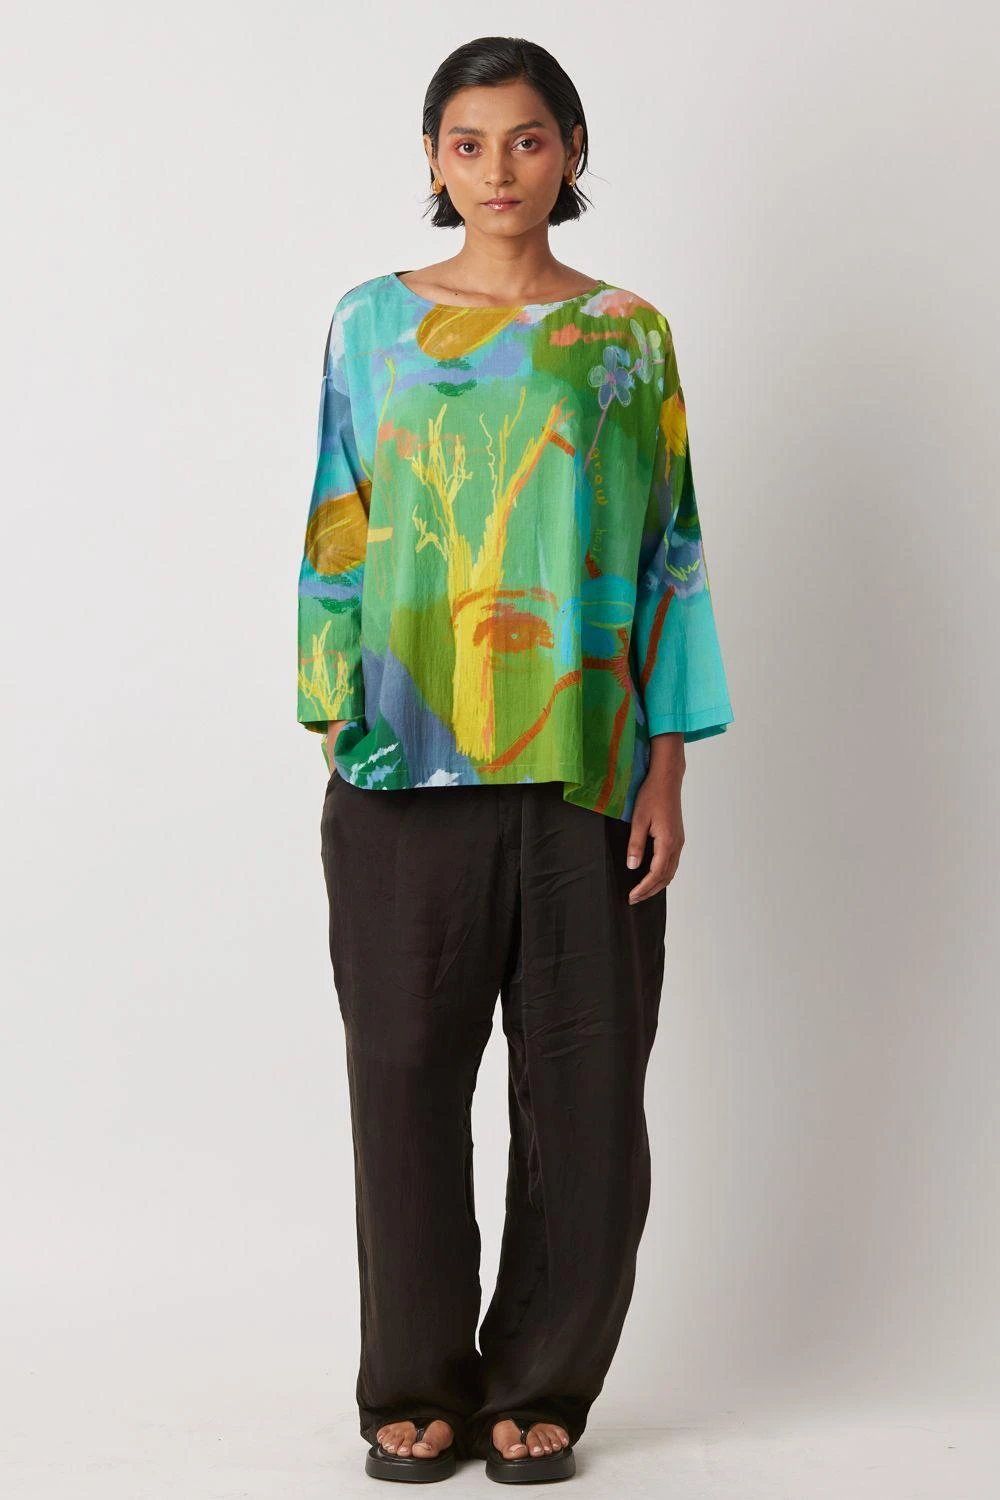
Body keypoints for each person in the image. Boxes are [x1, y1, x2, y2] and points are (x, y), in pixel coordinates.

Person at [296, 35, 734, 1485]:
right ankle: (414, 1382)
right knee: (404, 1082)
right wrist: (333, 711)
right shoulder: (371, 322)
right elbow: (339, 518)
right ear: (434, 159)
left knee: (585, 1095)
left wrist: (666, 768)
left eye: (529, 139)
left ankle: (541, 1384)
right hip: (402, 768)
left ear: (573, 152)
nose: (499, 169)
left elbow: (669, 551)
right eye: (469, 143)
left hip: (586, 773)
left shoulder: (626, 337)